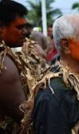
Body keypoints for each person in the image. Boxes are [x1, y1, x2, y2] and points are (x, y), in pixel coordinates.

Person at [0, 0, 28, 133]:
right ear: (1, 28)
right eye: (19, 27)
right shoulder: (4, 65)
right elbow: (25, 117)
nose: (25, 32)